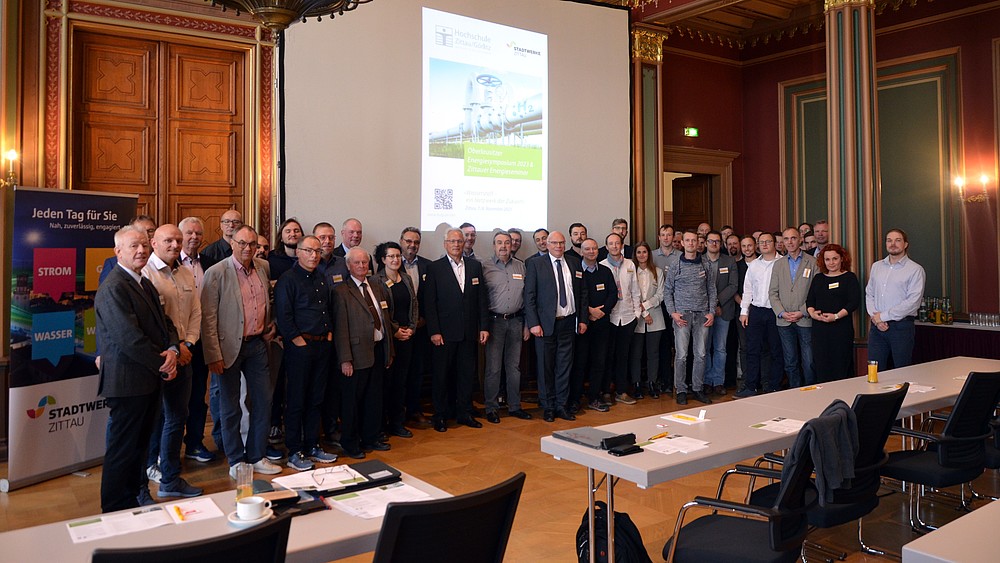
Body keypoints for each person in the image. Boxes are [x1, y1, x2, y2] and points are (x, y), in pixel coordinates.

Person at [96, 225, 179, 512]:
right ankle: (115, 508)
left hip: (148, 379)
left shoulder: (143, 281)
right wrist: (163, 364)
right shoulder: (115, 285)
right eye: (134, 246)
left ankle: (132, 502)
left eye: (144, 245)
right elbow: (128, 339)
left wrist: (172, 349)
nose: (141, 250)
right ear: (118, 252)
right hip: (128, 382)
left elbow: (164, 322)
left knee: (140, 448)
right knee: (123, 450)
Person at [201, 225, 282, 478]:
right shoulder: (216, 272)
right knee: (230, 406)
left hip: (257, 344)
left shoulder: (263, 267)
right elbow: (208, 318)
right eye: (243, 243)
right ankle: (236, 460)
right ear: (232, 244)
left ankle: (257, 455)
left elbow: (267, 300)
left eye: (253, 244)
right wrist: (213, 355)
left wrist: (271, 324)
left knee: (262, 401)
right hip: (228, 348)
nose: (248, 248)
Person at [142, 224, 203, 499]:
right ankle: (150, 470)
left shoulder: (185, 272)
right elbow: (149, 323)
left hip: (185, 356)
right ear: (153, 243)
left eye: (178, 241)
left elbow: (196, 313)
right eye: (169, 240)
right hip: (159, 360)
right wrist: (175, 348)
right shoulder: (145, 274)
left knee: (178, 418)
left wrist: (188, 343)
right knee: (155, 419)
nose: (175, 245)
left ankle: (170, 477)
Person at [274, 235, 338, 471]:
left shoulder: (321, 277)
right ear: (298, 252)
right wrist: (298, 342)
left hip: (323, 346)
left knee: (316, 398)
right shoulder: (287, 279)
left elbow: (327, 310)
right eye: (309, 251)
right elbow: (284, 316)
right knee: (297, 400)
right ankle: (294, 450)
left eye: (317, 251)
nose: (314, 255)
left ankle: (313, 445)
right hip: (300, 348)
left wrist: (329, 334)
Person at [423, 229, 490, 432]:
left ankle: (464, 413)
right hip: (443, 333)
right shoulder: (434, 268)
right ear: (445, 244)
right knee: (442, 376)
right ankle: (441, 415)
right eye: (452, 241)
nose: (456, 244)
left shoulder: (474, 266)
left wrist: (484, 326)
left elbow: (481, 300)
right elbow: (430, 303)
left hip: (469, 332)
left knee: (466, 375)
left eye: (459, 241)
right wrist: (434, 331)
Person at [333, 247, 395, 458]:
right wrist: (345, 359)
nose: (361, 266)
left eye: (365, 263)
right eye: (357, 263)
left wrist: (389, 351)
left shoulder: (376, 286)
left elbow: (385, 319)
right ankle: (351, 443)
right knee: (352, 402)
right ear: (348, 265)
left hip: (377, 350)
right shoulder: (341, 291)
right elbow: (341, 328)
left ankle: (371, 437)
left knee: (374, 398)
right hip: (355, 354)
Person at [525, 231, 587, 422]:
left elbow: (582, 293)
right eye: (554, 243)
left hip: (568, 323)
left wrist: (583, 319)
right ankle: (548, 406)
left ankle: (562, 405)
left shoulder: (575, 263)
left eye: (561, 243)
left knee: (564, 367)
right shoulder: (536, 264)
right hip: (545, 325)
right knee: (545, 367)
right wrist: (533, 323)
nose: (559, 246)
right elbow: (529, 296)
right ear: (547, 244)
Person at [177, 217, 219, 465]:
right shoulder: (169, 263)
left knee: (197, 397)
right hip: (176, 342)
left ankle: (194, 443)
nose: (194, 237)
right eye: (189, 233)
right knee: (172, 401)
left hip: (202, 340)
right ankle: (166, 451)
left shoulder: (211, 264)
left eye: (198, 233)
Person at [481, 231, 531, 423]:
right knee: (493, 368)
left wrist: (527, 325)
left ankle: (515, 406)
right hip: (494, 323)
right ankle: (491, 407)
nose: (503, 246)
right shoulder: (485, 267)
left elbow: (527, 297)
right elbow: (480, 299)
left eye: (507, 243)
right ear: (494, 246)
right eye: (499, 243)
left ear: (512, 245)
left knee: (514, 367)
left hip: (517, 321)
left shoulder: (521, 266)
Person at [663, 230, 716, 405]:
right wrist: (673, 313)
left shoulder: (706, 264)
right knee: (681, 355)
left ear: (698, 243)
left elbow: (711, 289)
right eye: (688, 240)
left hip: (702, 315)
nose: (691, 243)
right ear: (683, 243)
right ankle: (681, 389)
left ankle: (698, 389)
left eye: (694, 240)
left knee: (700, 354)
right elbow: (667, 291)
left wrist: (711, 312)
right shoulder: (675, 264)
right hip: (682, 316)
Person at [373, 241, 419, 437]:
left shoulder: (407, 279)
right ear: (383, 259)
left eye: (398, 256)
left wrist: (411, 328)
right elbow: (380, 313)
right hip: (389, 340)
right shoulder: (377, 281)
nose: (395, 259)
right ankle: (382, 425)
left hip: (407, 338)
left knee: (401, 381)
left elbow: (414, 306)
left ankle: (397, 423)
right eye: (391, 256)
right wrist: (395, 331)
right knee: (386, 383)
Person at [865, 228, 925, 369]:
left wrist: (883, 317)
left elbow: (912, 303)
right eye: (889, 240)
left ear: (905, 244)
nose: (893, 244)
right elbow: (869, 294)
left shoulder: (915, 270)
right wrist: (876, 318)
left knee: (901, 370)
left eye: (898, 240)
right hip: (876, 327)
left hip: (901, 327)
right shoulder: (877, 266)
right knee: (874, 371)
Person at [571, 238, 618, 412]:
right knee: (580, 362)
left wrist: (602, 311)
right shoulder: (575, 271)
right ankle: (575, 399)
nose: (591, 251)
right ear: (581, 252)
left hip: (602, 324)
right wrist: (589, 311)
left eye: (594, 248)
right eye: (587, 249)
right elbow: (573, 295)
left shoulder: (605, 271)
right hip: (582, 324)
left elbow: (613, 294)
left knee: (599, 362)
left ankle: (594, 397)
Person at [736, 232, 783, 397]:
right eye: (761, 242)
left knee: (775, 350)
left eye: (768, 241)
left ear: (774, 243)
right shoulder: (754, 265)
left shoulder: (782, 262)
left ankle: (773, 385)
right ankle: (750, 386)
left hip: (775, 312)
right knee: (752, 350)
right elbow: (747, 290)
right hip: (756, 311)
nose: (764, 245)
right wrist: (744, 311)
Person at [769, 227, 817, 388]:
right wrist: (782, 313)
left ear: (800, 239)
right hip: (784, 321)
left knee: (809, 360)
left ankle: (810, 390)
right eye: (786, 239)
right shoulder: (778, 264)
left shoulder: (813, 262)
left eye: (793, 238)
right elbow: (772, 293)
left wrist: (801, 312)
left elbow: (815, 293)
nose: (789, 242)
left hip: (805, 318)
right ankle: (794, 391)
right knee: (790, 361)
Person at [807, 244, 861, 381]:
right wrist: (812, 313)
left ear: (842, 259)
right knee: (821, 364)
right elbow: (810, 301)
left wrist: (836, 316)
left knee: (841, 364)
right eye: (827, 259)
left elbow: (853, 302)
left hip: (840, 328)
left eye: (835, 259)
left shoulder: (849, 278)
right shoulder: (818, 278)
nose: (831, 263)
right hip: (820, 329)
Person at [600, 232, 642, 404]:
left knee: (623, 356)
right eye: (611, 243)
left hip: (627, 317)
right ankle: (606, 391)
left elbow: (635, 291)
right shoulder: (601, 265)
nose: (614, 246)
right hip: (608, 318)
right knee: (606, 356)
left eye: (617, 243)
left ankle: (621, 391)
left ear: (622, 245)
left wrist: (636, 315)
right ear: (607, 246)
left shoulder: (630, 264)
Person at [399, 227, 432, 426]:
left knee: (417, 372)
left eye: (416, 242)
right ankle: (397, 412)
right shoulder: (391, 262)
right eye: (409, 241)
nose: (412, 245)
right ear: (401, 241)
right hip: (400, 331)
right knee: (400, 373)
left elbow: (431, 298)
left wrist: (424, 319)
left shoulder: (428, 266)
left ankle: (414, 409)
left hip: (420, 328)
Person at [629, 242, 665, 399]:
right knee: (636, 354)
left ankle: (652, 383)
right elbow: (631, 295)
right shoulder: (630, 272)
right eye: (639, 252)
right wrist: (644, 313)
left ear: (649, 254)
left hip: (655, 317)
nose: (642, 255)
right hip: (636, 318)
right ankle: (636, 384)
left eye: (644, 252)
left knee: (653, 353)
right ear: (635, 255)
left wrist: (645, 306)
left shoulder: (657, 272)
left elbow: (661, 294)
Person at [704, 230, 737, 395]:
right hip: (704, 311)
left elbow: (733, 285)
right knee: (705, 347)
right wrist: (710, 305)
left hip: (723, 310)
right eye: (711, 241)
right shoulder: (699, 260)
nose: (714, 244)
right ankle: (707, 380)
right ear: (705, 243)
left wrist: (717, 302)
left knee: (720, 348)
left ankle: (718, 381)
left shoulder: (729, 261)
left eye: (717, 241)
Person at [652, 224, 680, 394]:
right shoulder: (652, 256)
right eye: (663, 235)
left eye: (669, 235)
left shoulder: (682, 256)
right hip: (658, 306)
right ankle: (665, 381)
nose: (666, 238)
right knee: (662, 346)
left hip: (678, 307)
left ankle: (679, 381)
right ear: (659, 237)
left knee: (679, 346)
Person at [99, 215, 157, 285]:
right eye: (139, 231)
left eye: (150, 231)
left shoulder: (162, 260)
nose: (146, 235)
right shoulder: (112, 264)